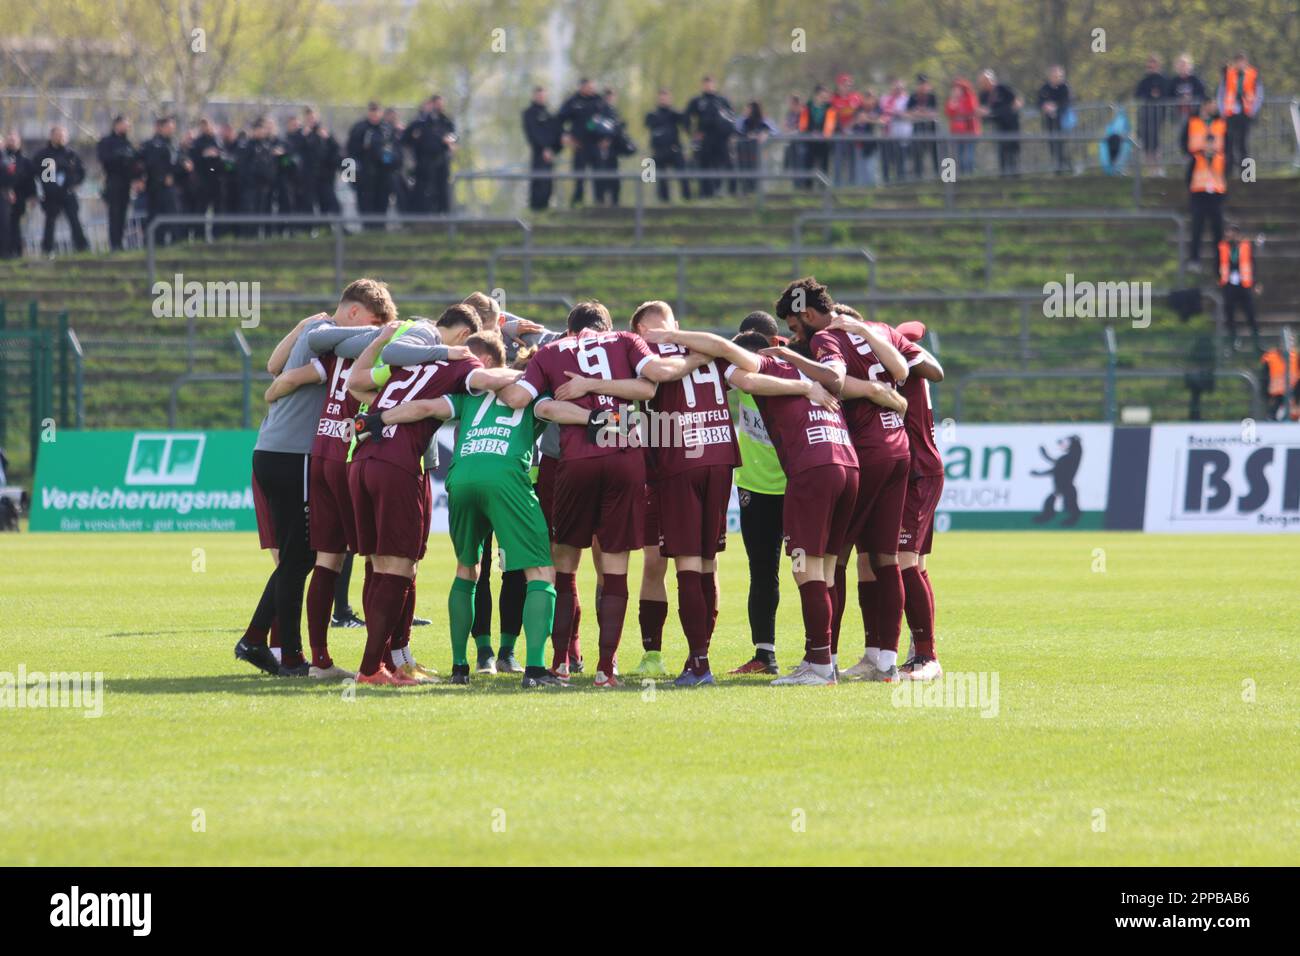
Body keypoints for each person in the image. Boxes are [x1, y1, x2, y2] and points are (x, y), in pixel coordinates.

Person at [357, 331, 590, 688]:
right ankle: (535, 670)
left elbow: (424, 407)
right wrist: (594, 418)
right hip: (505, 476)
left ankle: (460, 667)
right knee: (541, 570)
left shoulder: (472, 393)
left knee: (467, 569)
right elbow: (551, 409)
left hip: (462, 476)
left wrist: (381, 419)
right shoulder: (532, 392)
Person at [496, 301, 704, 686]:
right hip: (625, 455)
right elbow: (651, 383)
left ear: (570, 329)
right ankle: (606, 669)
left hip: (574, 461)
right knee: (615, 565)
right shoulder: (625, 340)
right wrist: (701, 356)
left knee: (564, 562)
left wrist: (531, 395)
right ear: (606, 326)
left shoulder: (549, 352)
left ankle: (560, 662)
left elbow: (517, 399)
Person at [650, 317, 854, 687]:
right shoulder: (809, 370)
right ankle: (822, 658)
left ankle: (819, 664)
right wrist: (808, 384)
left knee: (804, 568)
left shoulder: (766, 368)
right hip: (847, 465)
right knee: (824, 569)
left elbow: (732, 359)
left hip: (812, 470)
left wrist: (670, 335)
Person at [345, 306, 522, 685]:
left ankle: (387, 664)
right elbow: (490, 380)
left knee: (379, 565)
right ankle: (370, 668)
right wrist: (531, 374)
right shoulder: (462, 363)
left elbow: (357, 384)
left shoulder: (410, 363)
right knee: (400, 567)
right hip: (396, 464)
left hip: (361, 457)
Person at [770, 289, 918, 682]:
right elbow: (902, 372)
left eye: (794, 323)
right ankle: (883, 659)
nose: (795, 333)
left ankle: (824, 660)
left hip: (863, 450)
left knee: (830, 561)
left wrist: (792, 357)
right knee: (884, 558)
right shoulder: (874, 327)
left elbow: (834, 381)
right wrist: (875, 379)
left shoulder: (824, 338)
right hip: (898, 447)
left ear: (809, 314)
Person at [260, 279, 397, 679]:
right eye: (374, 323)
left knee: (321, 557)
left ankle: (312, 657)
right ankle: (382, 660)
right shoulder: (350, 345)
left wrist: (276, 388)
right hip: (339, 454)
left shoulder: (326, 344)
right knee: (377, 558)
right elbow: (281, 377)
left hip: (315, 452)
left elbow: (278, 372)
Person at [726, 312, 787, 674]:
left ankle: (823, 655)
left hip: (797, 483)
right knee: (762, 571)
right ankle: (765, 655)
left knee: (812, 570)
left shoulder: (796, 368)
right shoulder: (739, 373)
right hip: (754, 485)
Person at [1182, 98, 1226, 265]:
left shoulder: (1221, 158)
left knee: (1218, 230)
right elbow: (1189, 176)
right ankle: (1194, 259)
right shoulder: (1196, 158)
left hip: (1216, 194)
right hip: (1199, 193)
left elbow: (1225, 174)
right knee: (1197, 227)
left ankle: (1220, 262)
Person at [34, 126, 89, 255]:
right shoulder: (44, 155)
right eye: (58, 135)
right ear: (51, 136)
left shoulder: (71, 155)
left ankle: (82, 247)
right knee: (50, 222)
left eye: (63, 135)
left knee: (74, 220)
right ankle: (47, 250)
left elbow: (81, 172)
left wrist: (74, 183)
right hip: (51, 195)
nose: (60, 138)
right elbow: (38, 174)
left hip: (68, 193)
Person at [139, 116, 189, 246]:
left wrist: (183, 165)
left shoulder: (174, 144)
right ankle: (155, 245)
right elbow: (152, 164)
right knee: (156, 216)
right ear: (160, 128)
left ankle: (175, 243)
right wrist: (164, 176)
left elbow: (178, 161)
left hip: (171, 187)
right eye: (168, 127)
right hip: (156, 187)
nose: (171, 130)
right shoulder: (151, 145)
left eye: (172, 127)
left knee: (173, 215)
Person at [347, 102, 399, 225]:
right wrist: (350, 177)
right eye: (372, 111)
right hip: (364, 175)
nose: (375, 114)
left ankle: (380, 230)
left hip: (383, 174)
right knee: (365, 206)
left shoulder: (387, 129)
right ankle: (368, 231)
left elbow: (393, 151)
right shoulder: (359, 128)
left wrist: (390, 164)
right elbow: (349, 154)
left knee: (382, 204)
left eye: (377, 111)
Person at [558, 78, 607, 206]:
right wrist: (566, 135)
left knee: (599, 175)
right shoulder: (573, 101)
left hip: (597, 144)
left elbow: (609, 120)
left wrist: (607, 138)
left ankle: (600, 202)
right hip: (579, 145)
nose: (591, 89)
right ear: (581, 87)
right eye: (588, 87)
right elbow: (559, 119)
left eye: (593, 87)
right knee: (579, 176)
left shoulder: (599, 100)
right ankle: (577, 203)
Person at [685, 75, 737, 197]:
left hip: (721, 139)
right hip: (705, 138)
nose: (708, 86)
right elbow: (687, 117)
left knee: (725, 164)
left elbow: (732, 118)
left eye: (711, 83)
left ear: (715, 85)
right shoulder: (697, 101)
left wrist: (729, 134)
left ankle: (728, 192)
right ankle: (705, 193)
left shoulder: (722, 101)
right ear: (703, 85)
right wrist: (692, 134)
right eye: (706, 84)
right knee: (704, 165)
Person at [403, 95, 457, 214]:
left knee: (442, 189)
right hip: (424, 161)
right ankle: (425, 217)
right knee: (425, 190)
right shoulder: (420, 122)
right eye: (437, 104)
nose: (439, 107)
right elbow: (406, 139)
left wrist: (450, 140)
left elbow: (453, 135)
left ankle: (443, 215)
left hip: (442, 160)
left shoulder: (446, 120)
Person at [96, 116, 139, 252]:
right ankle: (114, 244)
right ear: (117, 125)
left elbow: (134, 163)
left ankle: (120, 243)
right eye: (125, 125)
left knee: (123, 214)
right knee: (114, 214)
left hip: (126, 183)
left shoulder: (128, 143)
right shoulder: (107, 142)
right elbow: (105, 160)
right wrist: (120, 156)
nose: (127, 128)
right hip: (113, 182)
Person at [1217, 52, 1263, 178]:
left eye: (1242, 61)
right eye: (1237, 61)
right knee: (1229, 144)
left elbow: (1259, 94)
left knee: (1244, 145)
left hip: (1246, 114)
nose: (1240, 64)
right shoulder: (1228, 74)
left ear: (1246, 62)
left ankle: (1248, 175)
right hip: (1231, 114)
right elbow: (1221, 94)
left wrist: (1253, 111)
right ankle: (1228, 173)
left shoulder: (1253, 74)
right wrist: (1222, 111)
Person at [1217, 223, 1260, 351]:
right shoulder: (1222, 246)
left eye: (1231, 232)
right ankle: (1233, 341)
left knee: (1250, 313)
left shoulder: (1246, 246)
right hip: (1229, 284)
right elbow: (1217, 262)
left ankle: (1256, 341)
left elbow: (1252, 263)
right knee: (1230, 314)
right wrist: (1218, 277)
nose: (1229, 235)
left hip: (1244, 284)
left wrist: (1256, 282)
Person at [645, 89, 689, 202]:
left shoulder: (674, 114)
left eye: (666, 97)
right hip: (659, 151)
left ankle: (687, 200)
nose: (663, 100)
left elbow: (685, 122)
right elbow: (648, 124)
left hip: (674, 149)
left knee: (683, 175)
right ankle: (664, 202)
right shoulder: (652, 115)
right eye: (661, 97)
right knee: (661, 179)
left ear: (670, 99)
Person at [523, 86, 561, 211]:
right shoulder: (529, 113)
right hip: (539, 154)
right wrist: (544, 148)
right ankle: (536, 211)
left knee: (549, 183)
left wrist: (553, 149)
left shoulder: (550, 113)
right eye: (539, 95)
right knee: (538, 182)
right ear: (534, 96)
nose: (541, 98)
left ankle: (546, 209)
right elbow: (533, 134)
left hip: (550, 154)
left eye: (543, 95)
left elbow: (556, 132)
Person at [978, 69, 1021, 176]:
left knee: (1013, 151)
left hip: (1011, 124)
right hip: (998, 126)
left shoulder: (1003, 88)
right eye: (982, 82)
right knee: (1001, 151)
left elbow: (1016, 102)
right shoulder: (983, 94)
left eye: (985, 81)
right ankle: (1004, 177)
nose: (983, 84)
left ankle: (1016, 176)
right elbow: (983, 111)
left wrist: (1001, 111)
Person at [825, 73, 864, 185]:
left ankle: (852, 186)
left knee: (853, 162)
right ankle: (837, 186)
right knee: (838, 161)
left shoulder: (856, 97)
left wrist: (851, 125)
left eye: (849, 84)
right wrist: (841, 128)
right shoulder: (832, 100)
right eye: (844, 84)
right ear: (839, 85)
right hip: (838, 136)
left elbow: (860, 114)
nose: (847, 86)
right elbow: (831, 117)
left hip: (853, 135)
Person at [2, 131, 35, 258]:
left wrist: (32, 196)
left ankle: (17, 251)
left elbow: (30, 180)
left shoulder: (25, 161)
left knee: (15, 225)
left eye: (14, 140)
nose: (12, 142)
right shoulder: (3, 159)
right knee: (5, 225)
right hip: (4, 196)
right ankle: (6, 251)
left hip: (20, 198)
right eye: (9, 140)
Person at [1134, 54, 1167, 173]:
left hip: (1158, 117)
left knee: (1156, 143)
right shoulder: (1144, 81)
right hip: (1145, 117)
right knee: (1146, 144)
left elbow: (1166, 94)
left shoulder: (1163, 80)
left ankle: (1159, 168)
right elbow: (1138, 95)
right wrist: (1150, 96)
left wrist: (1157, 97)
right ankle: (1150, 170)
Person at [1036, 65, 1071, 173]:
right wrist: (1044, 106)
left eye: (1058, 76)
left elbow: (1066, 102)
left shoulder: (1064, 88)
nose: (1055, 78)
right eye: (1053, 75)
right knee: (1052, 144)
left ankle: (1066, 166)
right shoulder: (1044, 88)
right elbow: (1038, 102)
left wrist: (1055, 107)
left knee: (1062, 144)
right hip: (1049, 121)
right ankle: (1057, 168)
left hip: (1063, 121)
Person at [736, 102, 776, 193]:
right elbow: (739, 131)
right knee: (745, 171)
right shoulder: (744, 121)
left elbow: (773, 131)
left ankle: (755, 191)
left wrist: (765, 134)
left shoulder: (762, 121)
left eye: (748, 108)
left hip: (757, 152)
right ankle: (746, 190)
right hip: (745, 152)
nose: (746, 110)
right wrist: (748, 135)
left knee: (756, 170)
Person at [945, 77, 980, 175]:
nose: (956, 90)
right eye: (954, 88)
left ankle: (970, 176)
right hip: (956, 133)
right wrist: (953, 100)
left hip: (969, 132)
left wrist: (960, 112)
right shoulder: (952, 100)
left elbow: (971, 110)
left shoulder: (969, 97)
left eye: (958, 88)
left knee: (969, 157)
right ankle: (962, 177)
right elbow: (949, 112)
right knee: (959, 157)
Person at [879, 78, 912, 181]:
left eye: (900, 88)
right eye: (896, 87)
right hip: (887, 133)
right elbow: (881, 113)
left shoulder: (907, 99)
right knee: (886, 159)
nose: (898, 90)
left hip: (902, 133)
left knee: (901, 159)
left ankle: (901, 180)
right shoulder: (885, 98)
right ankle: (886, 181)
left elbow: (911, 114)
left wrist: (900, 114)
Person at [908, 74, 940, 178]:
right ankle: (918, 176)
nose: (922, 86)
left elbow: (935, 113)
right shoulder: (913, 97)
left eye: (924, 84)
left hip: (931, 128)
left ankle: (937, 175)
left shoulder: (932, 96)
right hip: (917, 128)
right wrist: (921, 113)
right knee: (917, 153)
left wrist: (921, 113)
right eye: (920, 84)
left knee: (935, 153)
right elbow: (909, 113)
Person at [799, 85, 832, 180]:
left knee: (824, 166)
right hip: (810, 141)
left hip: (824, 142)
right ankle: (807, 189)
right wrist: (810, 132)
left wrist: (824, 133)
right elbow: (803, 125)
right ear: (816, 95)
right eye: (822, 96)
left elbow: (832, 124)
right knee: (808, 165)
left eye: (825, 97)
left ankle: (824, 190)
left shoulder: (829, 108)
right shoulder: (807, 107)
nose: (824, 99)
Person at [1169, 53, 1207, 124]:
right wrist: (1178, 100)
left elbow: (1202, 94)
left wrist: (1191, 98)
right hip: (1178, 115)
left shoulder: (1196, 80)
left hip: (1194, 114)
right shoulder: (1174, 81)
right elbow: (1169, 95)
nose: (1182, 67)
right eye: (1180, 65)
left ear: (1189, 66)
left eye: (1184, 64)